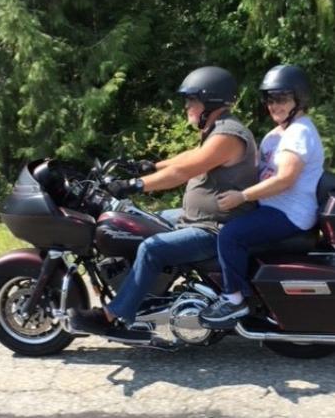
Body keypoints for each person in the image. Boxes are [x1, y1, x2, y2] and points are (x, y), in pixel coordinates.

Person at [70, 66, 258, 339]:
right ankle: (148, 296)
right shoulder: (217, 130)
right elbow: (188, 157)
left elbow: (183, 172)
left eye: (192, 100)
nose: (187, 106)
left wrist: (133, 185)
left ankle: (112, 316)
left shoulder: (229, 135)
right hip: (197, 218)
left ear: (211, 101)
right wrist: (146, 166)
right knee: (142, 221)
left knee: (152, 248)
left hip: (214, 228)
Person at [199, 64, 324, 326]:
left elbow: (285, 179)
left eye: (281, 99)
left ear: (298, 98)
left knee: (230, 236)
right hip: (272, 208)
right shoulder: (276, 135)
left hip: (289, 213)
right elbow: (258, 171)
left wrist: (242, 196)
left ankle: (234, 301)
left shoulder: (299, 132)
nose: (274, 105)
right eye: (269, 99)